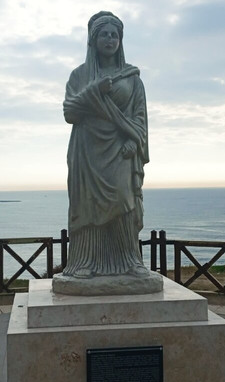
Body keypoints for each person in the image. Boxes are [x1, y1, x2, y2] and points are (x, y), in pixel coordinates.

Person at [62, 11, 149, 279]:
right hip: (87, 151)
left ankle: (129, 261)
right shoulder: (79, 75)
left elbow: (140, 118)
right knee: (87, 205)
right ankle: (85, 261)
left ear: (120, 40)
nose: (110, 40)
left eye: (114, 35)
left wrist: (133, 142)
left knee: (123, 200)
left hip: (121, 152)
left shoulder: (132, 78)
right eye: (104, 35)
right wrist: (94, 90)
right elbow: (69, 111)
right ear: (93, 39)